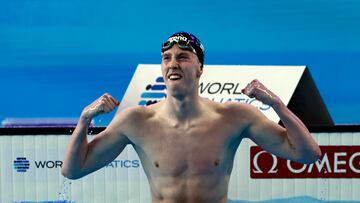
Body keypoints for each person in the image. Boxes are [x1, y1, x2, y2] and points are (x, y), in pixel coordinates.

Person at [61, 32, 321, 203]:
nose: (173, 64)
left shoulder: (234, 117)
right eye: (166, 58)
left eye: (183, 57)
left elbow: (307, 154)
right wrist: (85, 119)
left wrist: (276, 104)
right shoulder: (136, 121)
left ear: (200, 68)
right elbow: (72, 170)